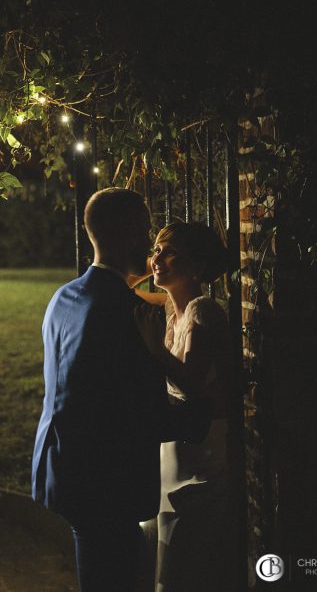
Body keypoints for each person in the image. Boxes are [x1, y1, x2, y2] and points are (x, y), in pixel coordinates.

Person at [31, 188, 209, 591]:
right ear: (130, 232)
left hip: (61, 462)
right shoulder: (122, 311)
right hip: (104, 478)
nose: (149, 244)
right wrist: (204, 413)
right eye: (145, 231)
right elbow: (138, 410)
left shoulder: (65, 297)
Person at [136, 221, 240, 592]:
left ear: (195, 265)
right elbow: (120, 290)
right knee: (168, 560)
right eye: (155, 250)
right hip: (173, 451)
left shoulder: (203, 310)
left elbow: (194, 385)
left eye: (168, 252)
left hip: (203, 452)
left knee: (186, 564)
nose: (156, 259)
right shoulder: (170, 308)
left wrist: (156, 352)